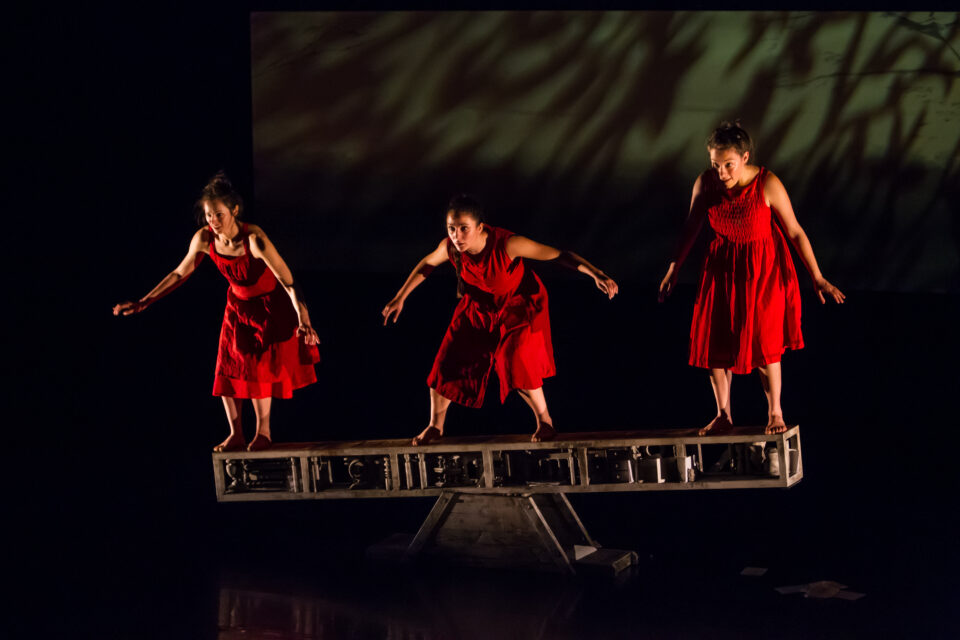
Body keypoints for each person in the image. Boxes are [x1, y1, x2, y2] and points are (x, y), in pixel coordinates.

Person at [382, 194, 619, 445]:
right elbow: (427, 264)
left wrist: (596, 273)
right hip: (479, 307)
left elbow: (560, 255)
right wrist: (400, 297)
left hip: (519, 305)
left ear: (480, 227)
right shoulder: (449, 247)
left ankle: (545, 421)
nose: (457, 236)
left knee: (515, 359)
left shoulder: (508, 245)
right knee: (447, 361)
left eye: (464, 229)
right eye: (451, 228)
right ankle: (435, 426)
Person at [659, 122, 845, 435]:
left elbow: (795, 231)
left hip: (763, 271)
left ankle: (775, 413)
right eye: (715, 164)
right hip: (722, 268)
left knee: (764, 343)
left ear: (745, 157)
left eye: (728, 164)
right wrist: (673, 268)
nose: (721, 172)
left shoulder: (767, 183)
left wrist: (817, 276)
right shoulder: (706, 183)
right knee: (715, 341)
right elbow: (691, 227)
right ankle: (723, 414)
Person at [113, 172, 320, 451]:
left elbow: (289, 281)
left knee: (258, 370)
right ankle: (236, 433)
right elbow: (179, 273)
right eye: (209, 215)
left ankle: (263, 432)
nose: (213, 220)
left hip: (268, 307)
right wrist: (144, 301)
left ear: (234, 210)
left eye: (219, 214)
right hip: (237, 306)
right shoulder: (204, 238)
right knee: (228, 364)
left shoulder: (254, 240)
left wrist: (303, 319)